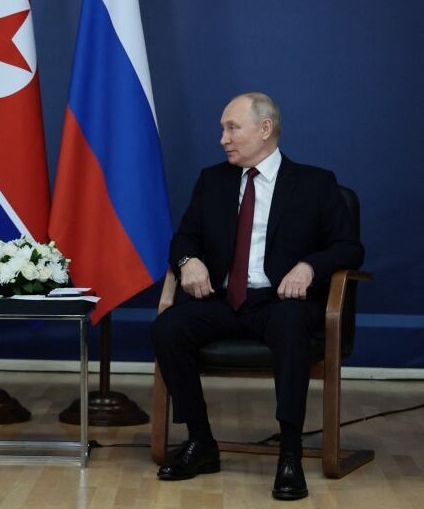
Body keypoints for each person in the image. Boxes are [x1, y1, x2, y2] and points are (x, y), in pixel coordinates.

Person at [150, 92, 363, 501]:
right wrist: (189, 260)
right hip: (222, 300)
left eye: (232, 128)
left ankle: (289, 453)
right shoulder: (212, 181)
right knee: (168, 327)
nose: (223, 138)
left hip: (278, 304)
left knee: (290, 326)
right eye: (222, 129)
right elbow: (183, 236)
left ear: (265, 129)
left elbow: (349, 247)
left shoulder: (315, 183)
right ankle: (201, 442)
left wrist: (310, 266)